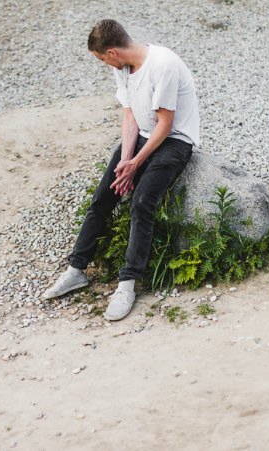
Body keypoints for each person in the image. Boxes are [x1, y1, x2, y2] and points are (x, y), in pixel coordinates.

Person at [42, 19, 200, 321]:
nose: (104, 64)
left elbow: (165, 125)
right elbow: (129, 114)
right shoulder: (122, 68)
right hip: (142, 135)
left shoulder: (162, 66)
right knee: (104, 196)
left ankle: (127, 283)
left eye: (102, 59)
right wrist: (125, 161)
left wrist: (136, 164)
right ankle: (77, 269)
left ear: (112, 52)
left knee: (142, 203)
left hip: (174, 141)